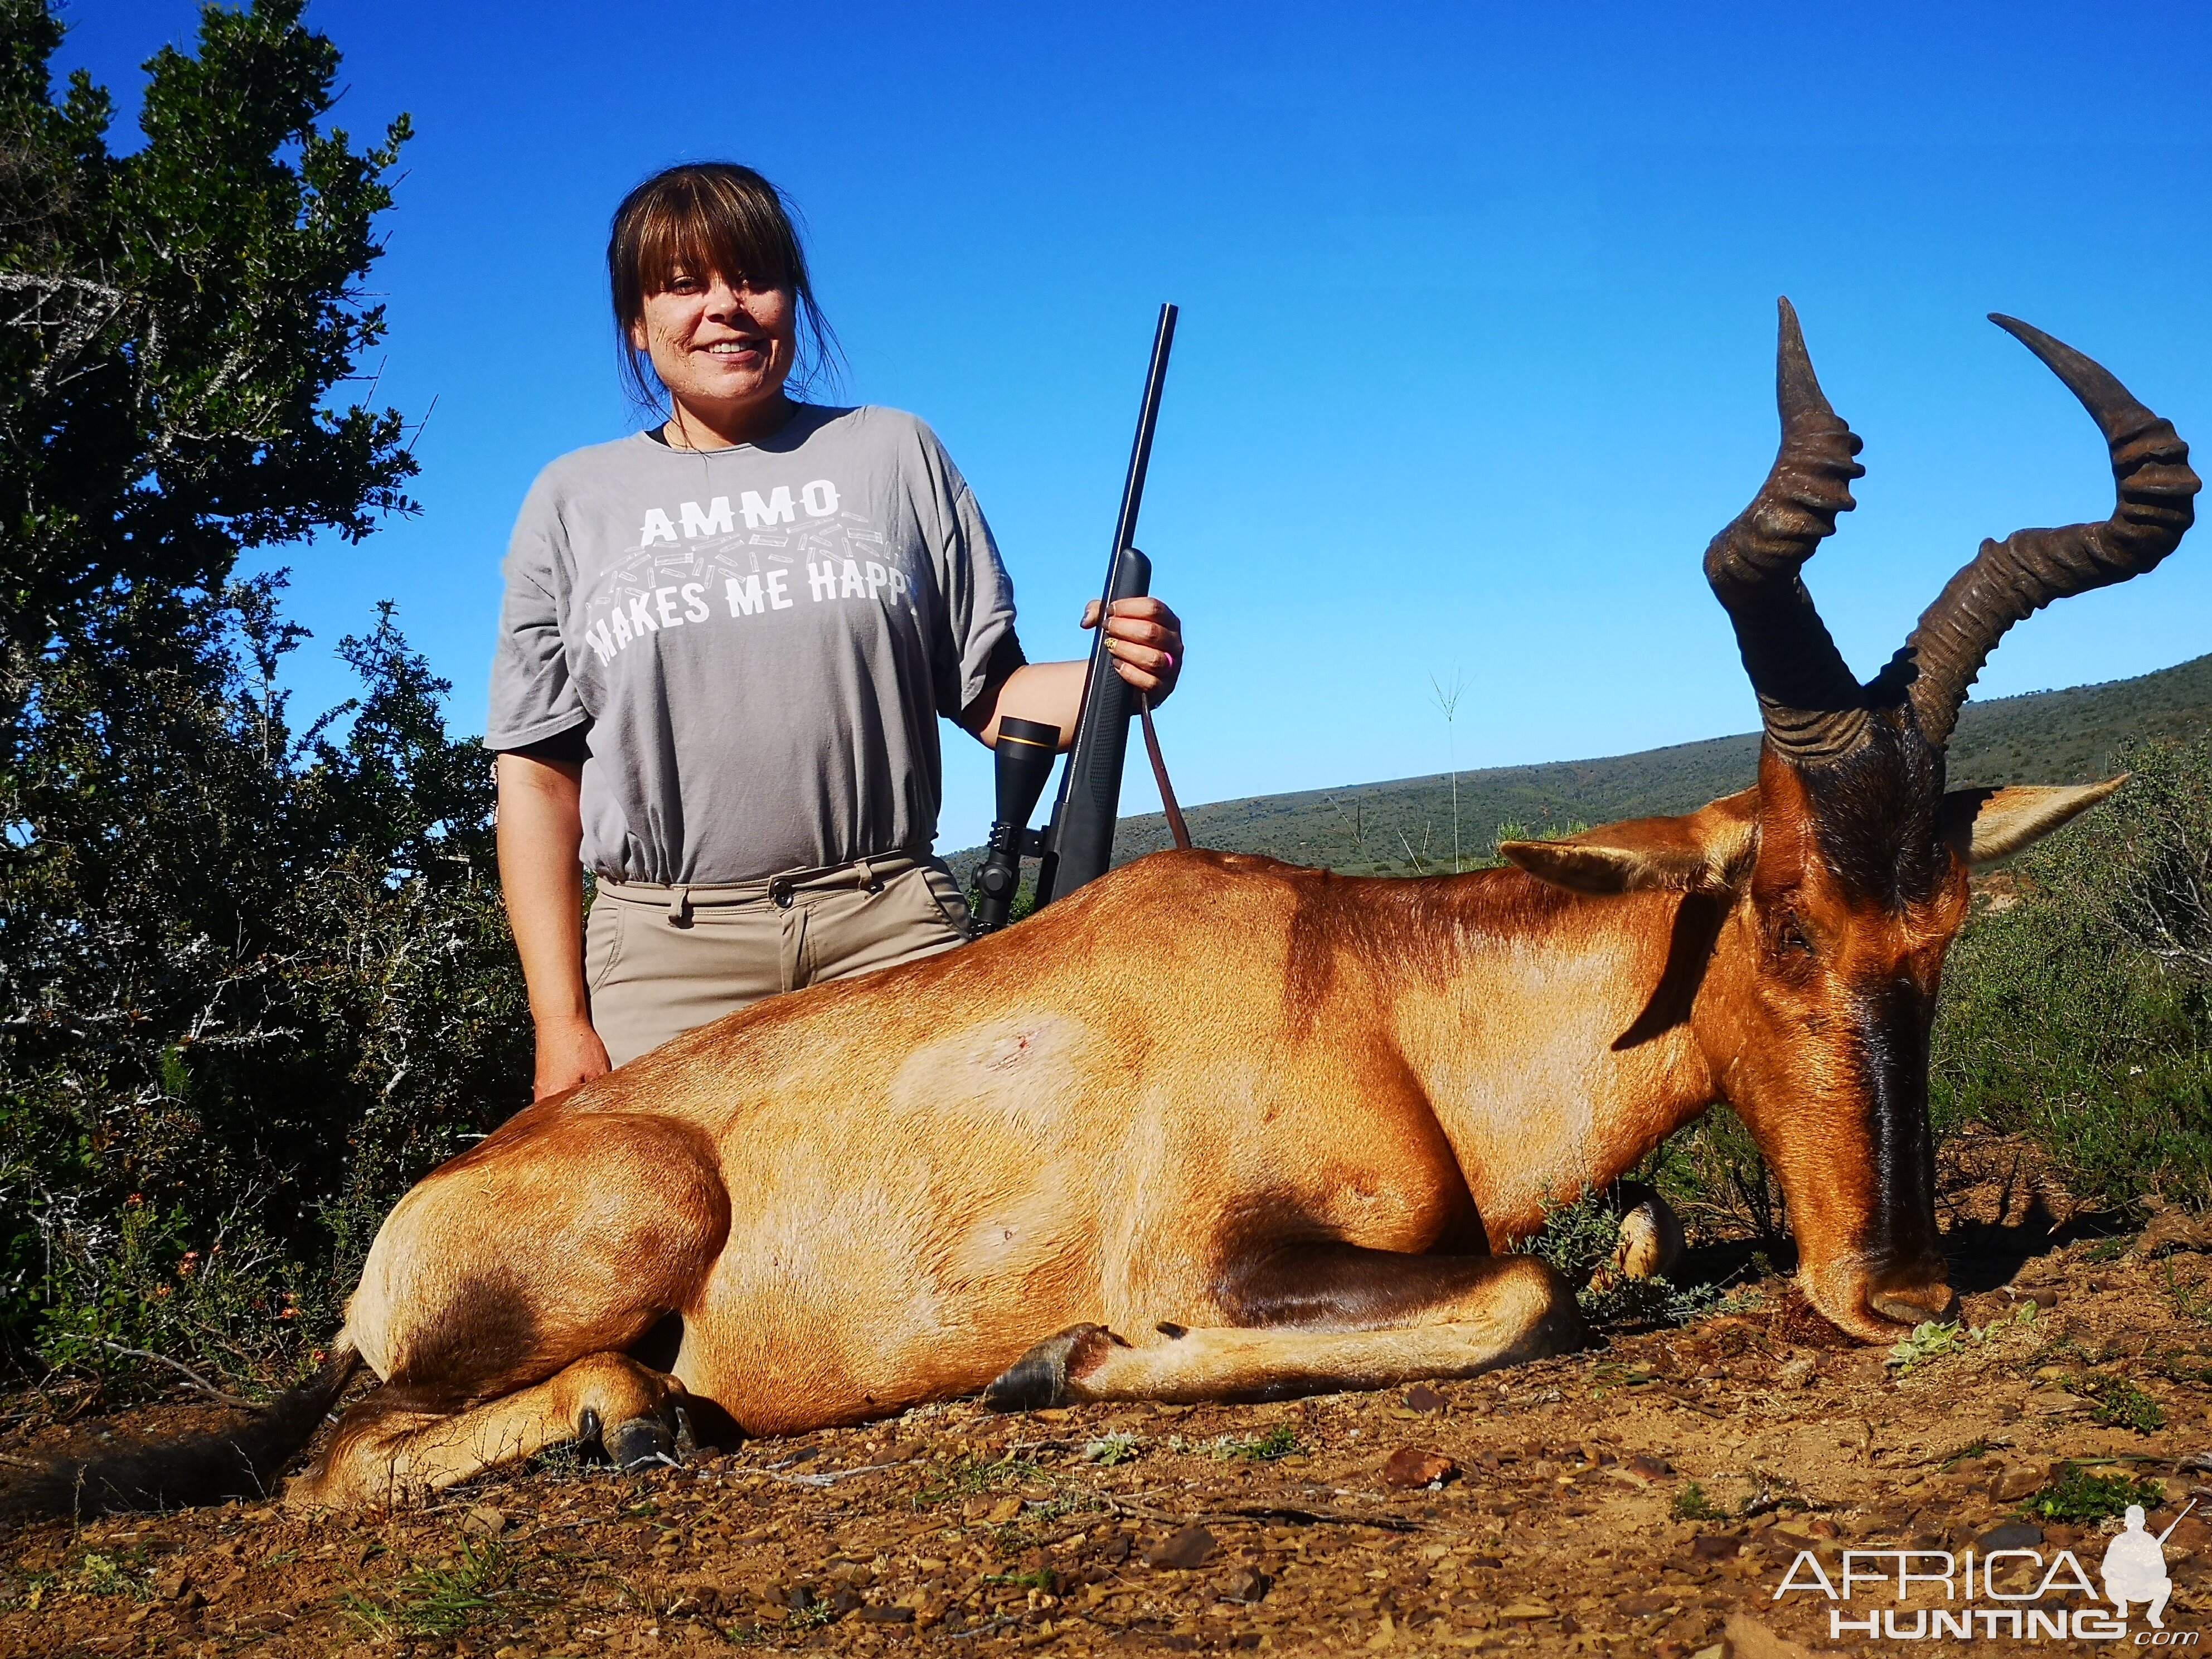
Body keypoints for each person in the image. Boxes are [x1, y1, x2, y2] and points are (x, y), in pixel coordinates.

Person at [486, 163, 1183, 1099]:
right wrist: (560, 1021)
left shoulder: (894, 452)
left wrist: (1125, 668)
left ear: (793, 299)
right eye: (685, 285)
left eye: (754, 278)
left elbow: (996, 697)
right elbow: (536, 776)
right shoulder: (571, 501)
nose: (725, 309)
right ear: (637, 324)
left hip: (891, 930)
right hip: (663, 962)